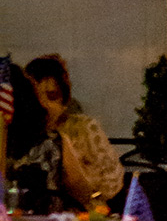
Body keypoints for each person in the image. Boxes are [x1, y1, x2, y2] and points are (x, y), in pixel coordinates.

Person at [24, 54, 122, 204]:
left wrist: (89, 195)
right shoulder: (18, 135)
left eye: (52, 96)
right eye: (37, 98)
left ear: (64, 99)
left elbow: (112, 181)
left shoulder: (84, 128)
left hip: (81, 213)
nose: (45, 105)